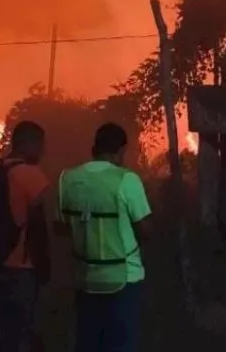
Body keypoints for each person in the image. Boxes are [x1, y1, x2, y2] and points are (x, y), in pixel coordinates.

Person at [56, 123, 152, 352]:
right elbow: (146, 230)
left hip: (85, 277)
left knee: (88, 342)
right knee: (120, 344)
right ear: (121, 151)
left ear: (93, 149)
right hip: (124, 278)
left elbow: (60, 228)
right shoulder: (126, 179)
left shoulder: (67, 179)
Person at [0, 120, 51, 352]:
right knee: (18, 335)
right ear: (29, 144)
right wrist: (44, 266)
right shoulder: (31, 175)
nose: (43, 151)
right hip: (21, 268)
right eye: (41, 145)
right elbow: (38, 227)